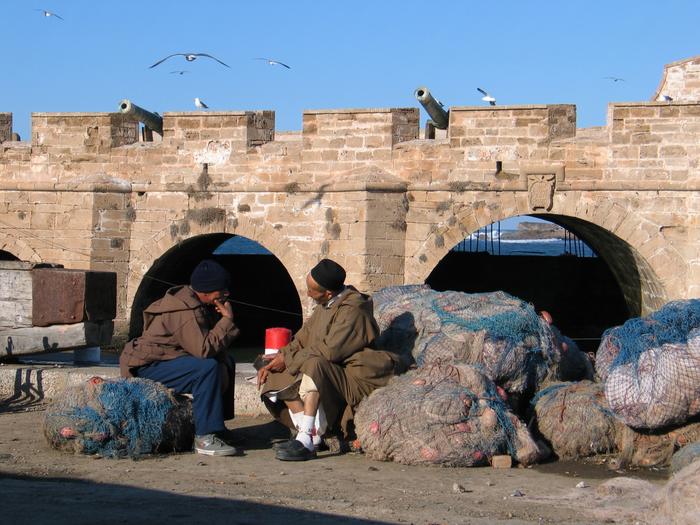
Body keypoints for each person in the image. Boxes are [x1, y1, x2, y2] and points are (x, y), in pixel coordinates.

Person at [257, 258, 402, 461]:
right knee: (271, 368)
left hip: (352, 373)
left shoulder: (353, 309)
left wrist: (289, 360)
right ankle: (309, 433)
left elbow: (331, 351)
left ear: (328, 293)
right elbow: (303, 337)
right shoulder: (324, 305)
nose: (307, 294)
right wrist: (283, 354)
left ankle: (306, 439)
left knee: (315, 364)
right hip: (327, 364)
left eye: (311, 290)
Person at [119, 259, 241, 457]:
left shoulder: (195, 301)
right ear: (207, 292)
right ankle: (205, 436)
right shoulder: (185, 311)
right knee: (207, 368)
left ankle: (217, 427)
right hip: (147, 366)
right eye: (222, 291)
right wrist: (227, 321)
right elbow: (203, 349)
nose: (226, 295)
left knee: (226, 361)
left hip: (167, 358)